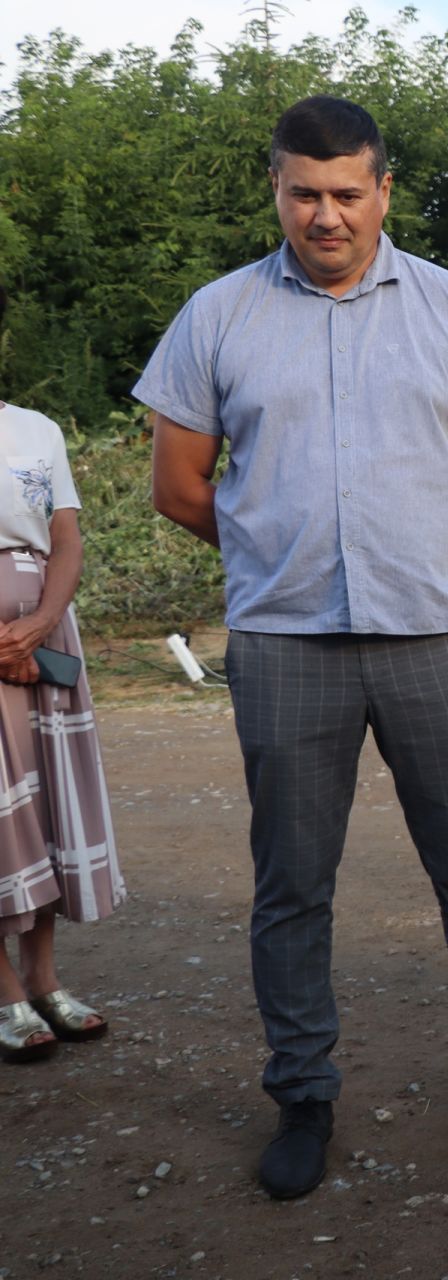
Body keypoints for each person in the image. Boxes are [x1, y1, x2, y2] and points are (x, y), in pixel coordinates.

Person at [141, 95, 448, 1201]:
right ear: (276, 191)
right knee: (292, 883)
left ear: (383, 190)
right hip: (286, 646)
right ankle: (304, 1094)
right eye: (303, 193)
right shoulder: (219, 315)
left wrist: (428, 554)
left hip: (433, 635)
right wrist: (270, 558)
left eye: (346, 193)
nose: (325, 215)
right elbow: (179, 485)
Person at [0, 283, 124, 1064]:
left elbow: (66, 538)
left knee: (43, 810)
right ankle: (3, 996)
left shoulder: (34, 429)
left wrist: (40, 622)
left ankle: (42, 980)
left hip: (41, 635)